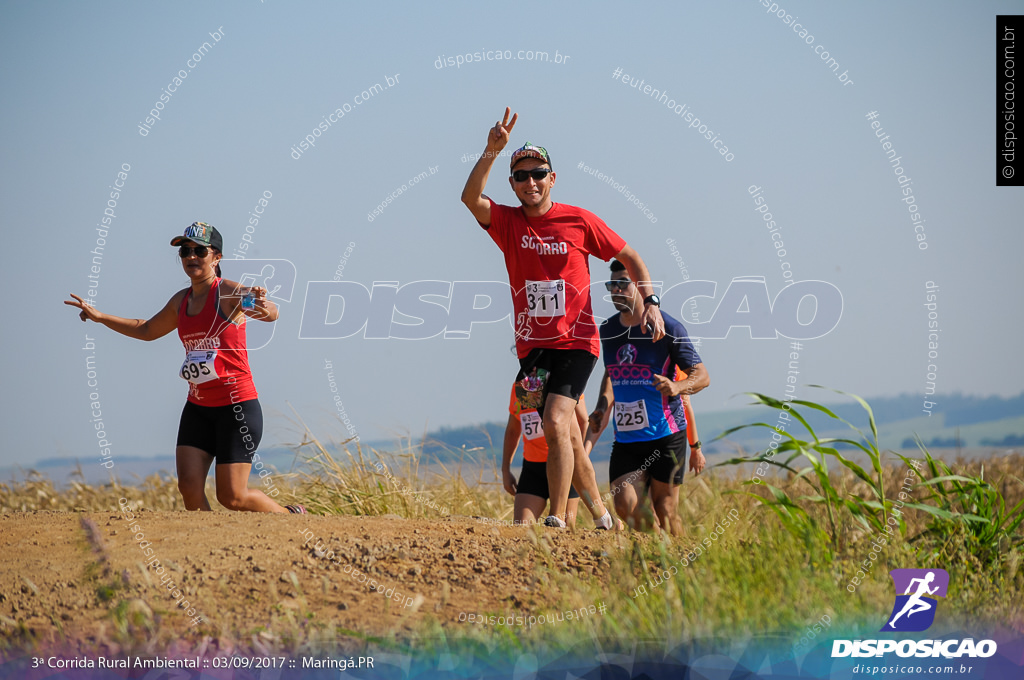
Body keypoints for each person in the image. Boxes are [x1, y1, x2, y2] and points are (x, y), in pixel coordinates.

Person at [461, 107, 665, 529]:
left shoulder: (579, 220)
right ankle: (604, 516)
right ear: (513, 184)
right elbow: (470, 199)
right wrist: (490, 151)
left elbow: (630, 256)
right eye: (521, 176)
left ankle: (557, 518)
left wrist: (652, 302)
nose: (530, 182)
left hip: (576, 341)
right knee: (566, 434)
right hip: (532, 348)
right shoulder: (508, 223)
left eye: (539, 173)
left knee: (556, 419)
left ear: (552, 178)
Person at [65, 222, 305, 514]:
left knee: (232, 497)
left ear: (216, 257)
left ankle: (292, 517)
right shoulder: (181, 301)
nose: (191, 256)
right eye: (185, 251)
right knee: (189, 488)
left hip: (236, 408)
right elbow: (148, 329)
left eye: (199, 251)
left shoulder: (228, 292)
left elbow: (271, 312)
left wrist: (261, 303)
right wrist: (101, 317)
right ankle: (211, 549)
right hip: (198, 408)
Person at [587, 260, 709, 534]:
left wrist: (677, 388)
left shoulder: (669, 328)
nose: (616, 290)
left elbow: (702, 376)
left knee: (665, 510)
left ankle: (681, 562)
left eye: (622, 284)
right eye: (611, 285)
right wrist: (601, 406)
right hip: (628, 440)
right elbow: (611, 374)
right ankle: (661, 554)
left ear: (641, 288)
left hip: (666, 433)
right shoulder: (607, 331)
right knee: (626, 506)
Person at [502, 374, 588, 525]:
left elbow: (583, 421)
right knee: (521, 527)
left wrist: (581, 458)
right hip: (533, 468)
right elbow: (513, 430)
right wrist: (505, 470)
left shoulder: (568, 379)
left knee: (564, 529)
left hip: (564, 466)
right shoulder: (521, 385)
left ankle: (610, 524)